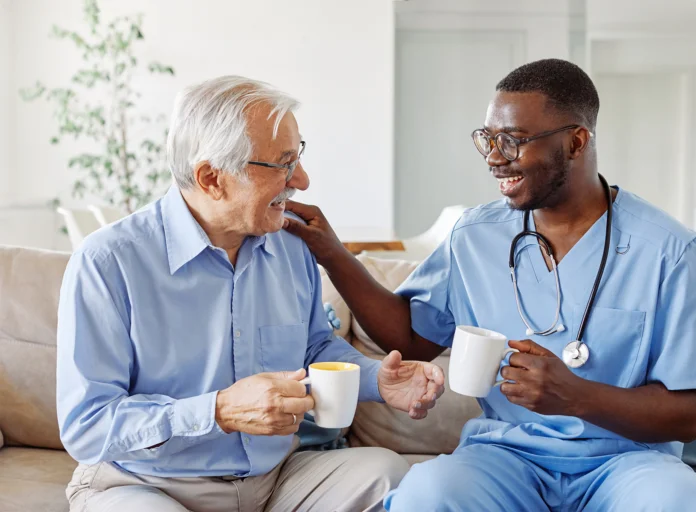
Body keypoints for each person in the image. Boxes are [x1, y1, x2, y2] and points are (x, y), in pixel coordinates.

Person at [282, 59, 696, 511]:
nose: (496, 158)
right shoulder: (475, 235)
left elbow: (692, 413)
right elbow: (408, 338)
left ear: (576, 142)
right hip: (504, 457)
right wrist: (333, 253)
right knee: (426, 495)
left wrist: (576, 396)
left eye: (514, 141)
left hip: (629, 464)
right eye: (488, 140)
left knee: (684, 503)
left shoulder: (669, 250)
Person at [56, 76, 446, 512]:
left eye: (298, 157)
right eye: (282, 163)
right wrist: (219, 411)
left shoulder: (290, 246)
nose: (302, 178)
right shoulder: (108, 262)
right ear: (212, 178)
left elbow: (314, 347)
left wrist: (377, 379)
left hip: (273, 480)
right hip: (146, 484)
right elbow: (87, 426)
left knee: (386, 474)